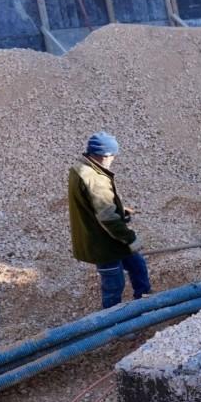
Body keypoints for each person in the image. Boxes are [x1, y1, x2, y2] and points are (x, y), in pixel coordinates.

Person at [68, 131, 151, 309]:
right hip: (103, 244)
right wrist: (131, 238)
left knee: (138, 266)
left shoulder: (80, 168)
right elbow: (107, 218)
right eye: (113, 155)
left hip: (109, 239)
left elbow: (96, 205)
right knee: (114, 285)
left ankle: (145, 303)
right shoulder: (95, 179)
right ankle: (114, 323)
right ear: (105, 156)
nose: (114, 159)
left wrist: (121, 211)